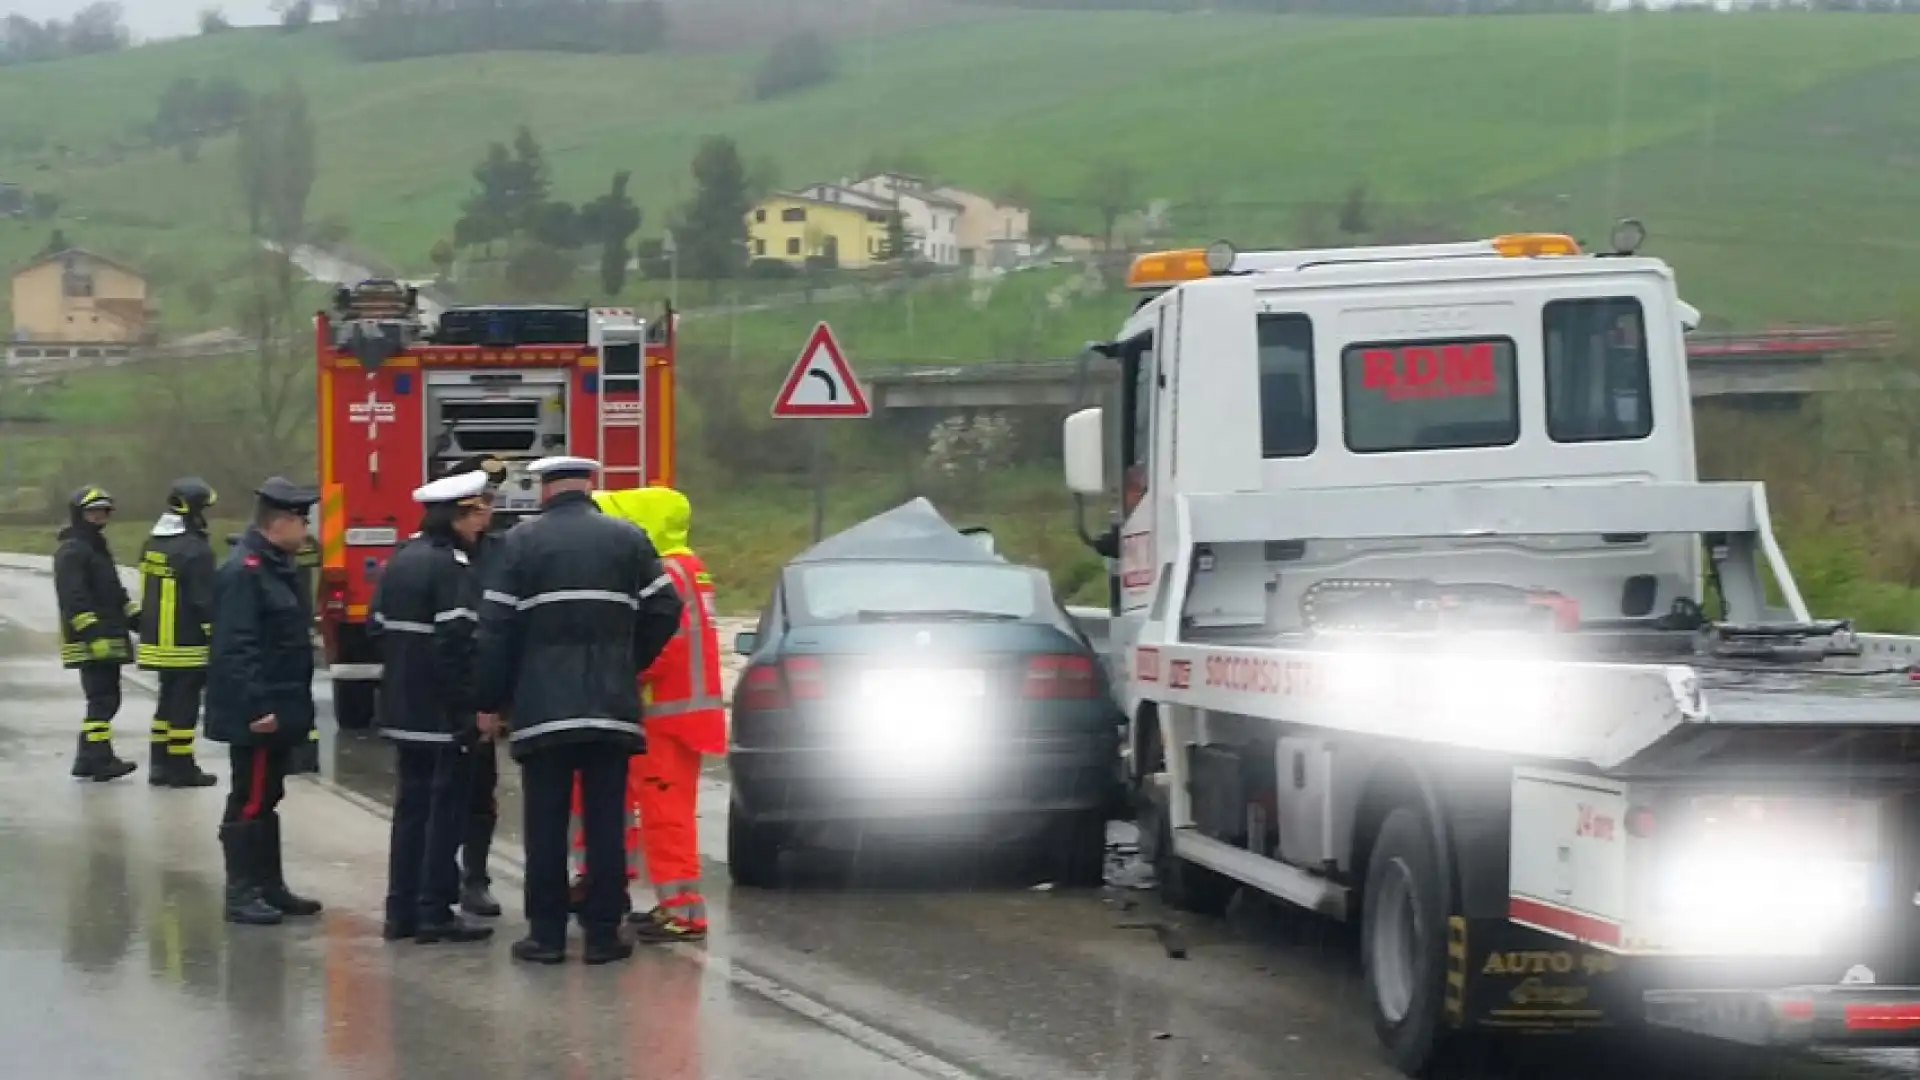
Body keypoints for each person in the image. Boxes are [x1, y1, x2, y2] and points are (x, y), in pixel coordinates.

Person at [474, 456, 683, 965]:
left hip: (543, 708)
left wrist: (491, 700)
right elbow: (666, 607)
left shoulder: (520, 543)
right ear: (591, 486)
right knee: (607, 822)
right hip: (610, 706)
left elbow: (496, 628)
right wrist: (626, 660)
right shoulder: (628, 538)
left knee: (545, 824)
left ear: (544, 489)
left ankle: (545, 937)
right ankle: (604, 936)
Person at [369, 469, 496, 945]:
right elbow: (457, 643)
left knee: (409, 812)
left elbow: (377, 627)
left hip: (402, 706)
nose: (484, 520)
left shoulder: (401, 559)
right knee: (444, 814)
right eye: (478, 511)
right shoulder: (453, 567)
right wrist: (473, 706)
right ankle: (434, 912)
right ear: (456, 516)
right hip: (442, 714)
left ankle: (400, 911)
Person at [607, 486, 726, 944]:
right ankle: (673, 905)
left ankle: (683, 913)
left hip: (666, 715)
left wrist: (620, 674)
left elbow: (658, 646)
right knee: (668, 812)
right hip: (686, 714)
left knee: (665, 815)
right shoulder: (689, 568)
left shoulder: (666, 575)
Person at [205, 477, 325, 927]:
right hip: (256, 712)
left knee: (268, 794)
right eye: (302, 521)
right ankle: (241, 892)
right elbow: (236, 649)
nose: (307, 530)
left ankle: (269, 886)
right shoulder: (246, 571)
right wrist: (256, 708)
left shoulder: (277, 567)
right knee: (250, 797)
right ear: (281, 523)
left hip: (280, 705)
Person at [451, 454, 510, 920]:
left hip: (482, 693)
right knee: (438, 794)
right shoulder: (427, 553)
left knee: (480, 794)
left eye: (489, 500)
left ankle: (476, 878)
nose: (486, 510)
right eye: (477, 502)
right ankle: (440, 875)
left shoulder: (502, 553)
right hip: (442, 698)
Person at [136, 477, 221, 789]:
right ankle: (182, 768)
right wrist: (216, 634)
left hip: (155, 642)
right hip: (186, 643)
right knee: (185, 708)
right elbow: (204, 600)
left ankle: (159, 765)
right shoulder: (196, 550)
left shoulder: (152, 543)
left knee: (166, 704)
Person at [55, 485, 140, 782]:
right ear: (79, 514)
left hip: (109, 633)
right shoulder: (74, 550)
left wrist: (135, 618)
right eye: (93, 511)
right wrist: (91, 633)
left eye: (103, 511)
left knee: (105, 698)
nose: (99, 516)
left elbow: (113, 591)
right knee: (103, 699)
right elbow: (73, 596)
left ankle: (87, 758)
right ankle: (99, 758)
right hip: (93, 638)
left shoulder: (95, 546)